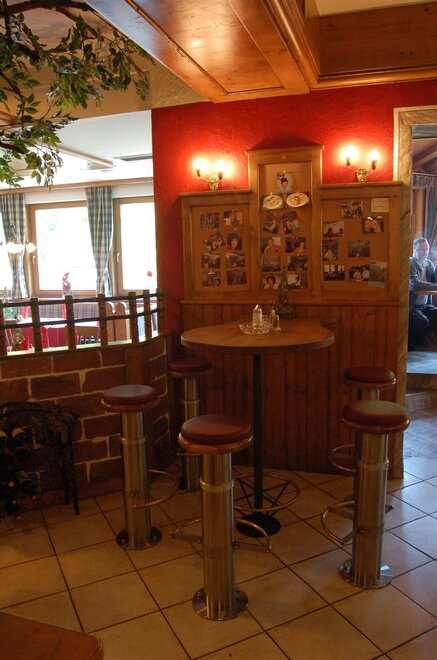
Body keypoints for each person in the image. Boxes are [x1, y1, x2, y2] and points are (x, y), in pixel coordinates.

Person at [409, 237, 437, 350]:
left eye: (427, 249)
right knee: (422, 321)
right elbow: (416, 284)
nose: (425, 252)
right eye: (422, 249)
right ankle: (411, 343)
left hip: (425, 305)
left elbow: (435, 281)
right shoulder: (410, 263)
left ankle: (422, 341)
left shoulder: (429, 264)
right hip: (412, 305)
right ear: (415, 250)